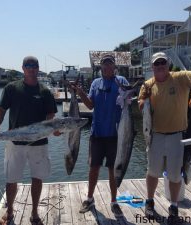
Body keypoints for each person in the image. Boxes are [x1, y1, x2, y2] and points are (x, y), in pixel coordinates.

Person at [0, 56, 58, 225]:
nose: (31, 68)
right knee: (11, 179)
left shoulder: (45, 91)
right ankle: (10, 212)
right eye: (28, 65)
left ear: (38, 68)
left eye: (34, 66)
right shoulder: (12, 88)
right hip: (15, 143)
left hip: (39, 143)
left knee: (37, 178)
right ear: (23, 68)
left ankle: (34, 213)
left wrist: (54, 128)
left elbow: (51, 115)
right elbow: (0, 109)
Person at [138, 52, 191, 224]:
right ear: (152, 67)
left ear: (168, 64)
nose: (160, 65)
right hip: (156, 136)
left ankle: (174, 207)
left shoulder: (180, 78)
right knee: (152, 172)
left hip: (177, 136)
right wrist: (143, 102)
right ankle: (150, 202)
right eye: (156, 63)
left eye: (163, 62)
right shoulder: (147, 85)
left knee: (176, 175)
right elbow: (141, 106)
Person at [70, 54, 129, 217]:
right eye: (104, 65)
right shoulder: (96, 83)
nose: (107, 67)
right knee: (93, 168)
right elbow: (89, 105)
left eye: (110, 64)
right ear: (101, 67)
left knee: (112, 169)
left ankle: (114, 201)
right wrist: (79, 91)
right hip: (96, 133)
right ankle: (89, 199)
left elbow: (129, 96)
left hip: (115, 134)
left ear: (114, 67)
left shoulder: (121, 81)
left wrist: (129, 95)